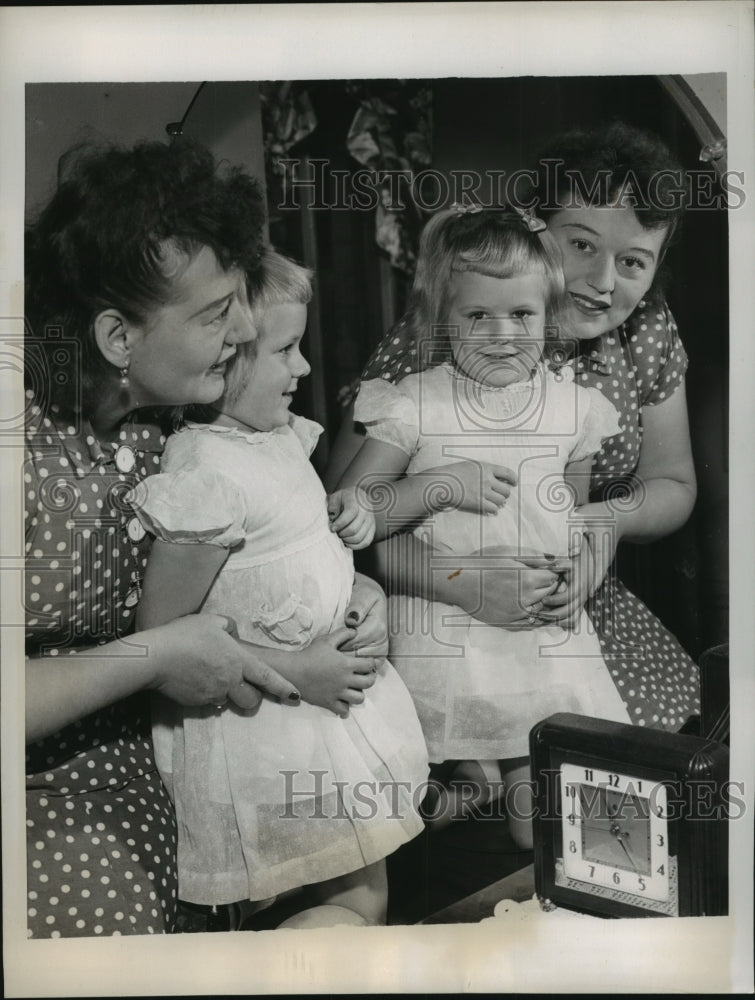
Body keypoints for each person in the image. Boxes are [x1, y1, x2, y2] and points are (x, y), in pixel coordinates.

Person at [23, 139, 388, 938]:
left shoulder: (183, 426)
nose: (245, 328)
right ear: (118, 339)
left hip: (168, 752)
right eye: (217, 313)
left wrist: (355, 589)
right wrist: (154, 658)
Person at [326, 121, 700, 737]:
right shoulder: (444, 336)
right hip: (432, 600)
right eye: (581, 245)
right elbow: (344, 519)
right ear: (533, 231)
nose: (605, 281)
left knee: (644, 751)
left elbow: (673, 483)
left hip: (569, 597)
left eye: (633, 261)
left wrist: (600, 527)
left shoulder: (647, 328)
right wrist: (460, 580)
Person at [131, 249, 430, 929]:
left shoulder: (277, 439)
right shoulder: (206, 475)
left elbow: (297, 558)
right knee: (343, 903)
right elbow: (162, 640)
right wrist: (298, 670)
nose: (304, 368)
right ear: (226, 358)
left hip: (320, 725)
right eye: (285, 350)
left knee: (362, 894)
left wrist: (362, 592)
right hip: (260, 735)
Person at [337, 205, 631, 844]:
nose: (503, 335)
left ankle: (516, 834)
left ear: (549, 315)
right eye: (478, 316)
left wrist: (579, 568)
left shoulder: (575, 409)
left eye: (522, 314)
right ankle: (469, 787)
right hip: (447, 636)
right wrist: (439, 484)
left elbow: (572, 519)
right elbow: (351, 515)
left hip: (542, 640)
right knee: (408, 808)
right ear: (440, 320)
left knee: (548, 830)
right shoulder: (415, 403)